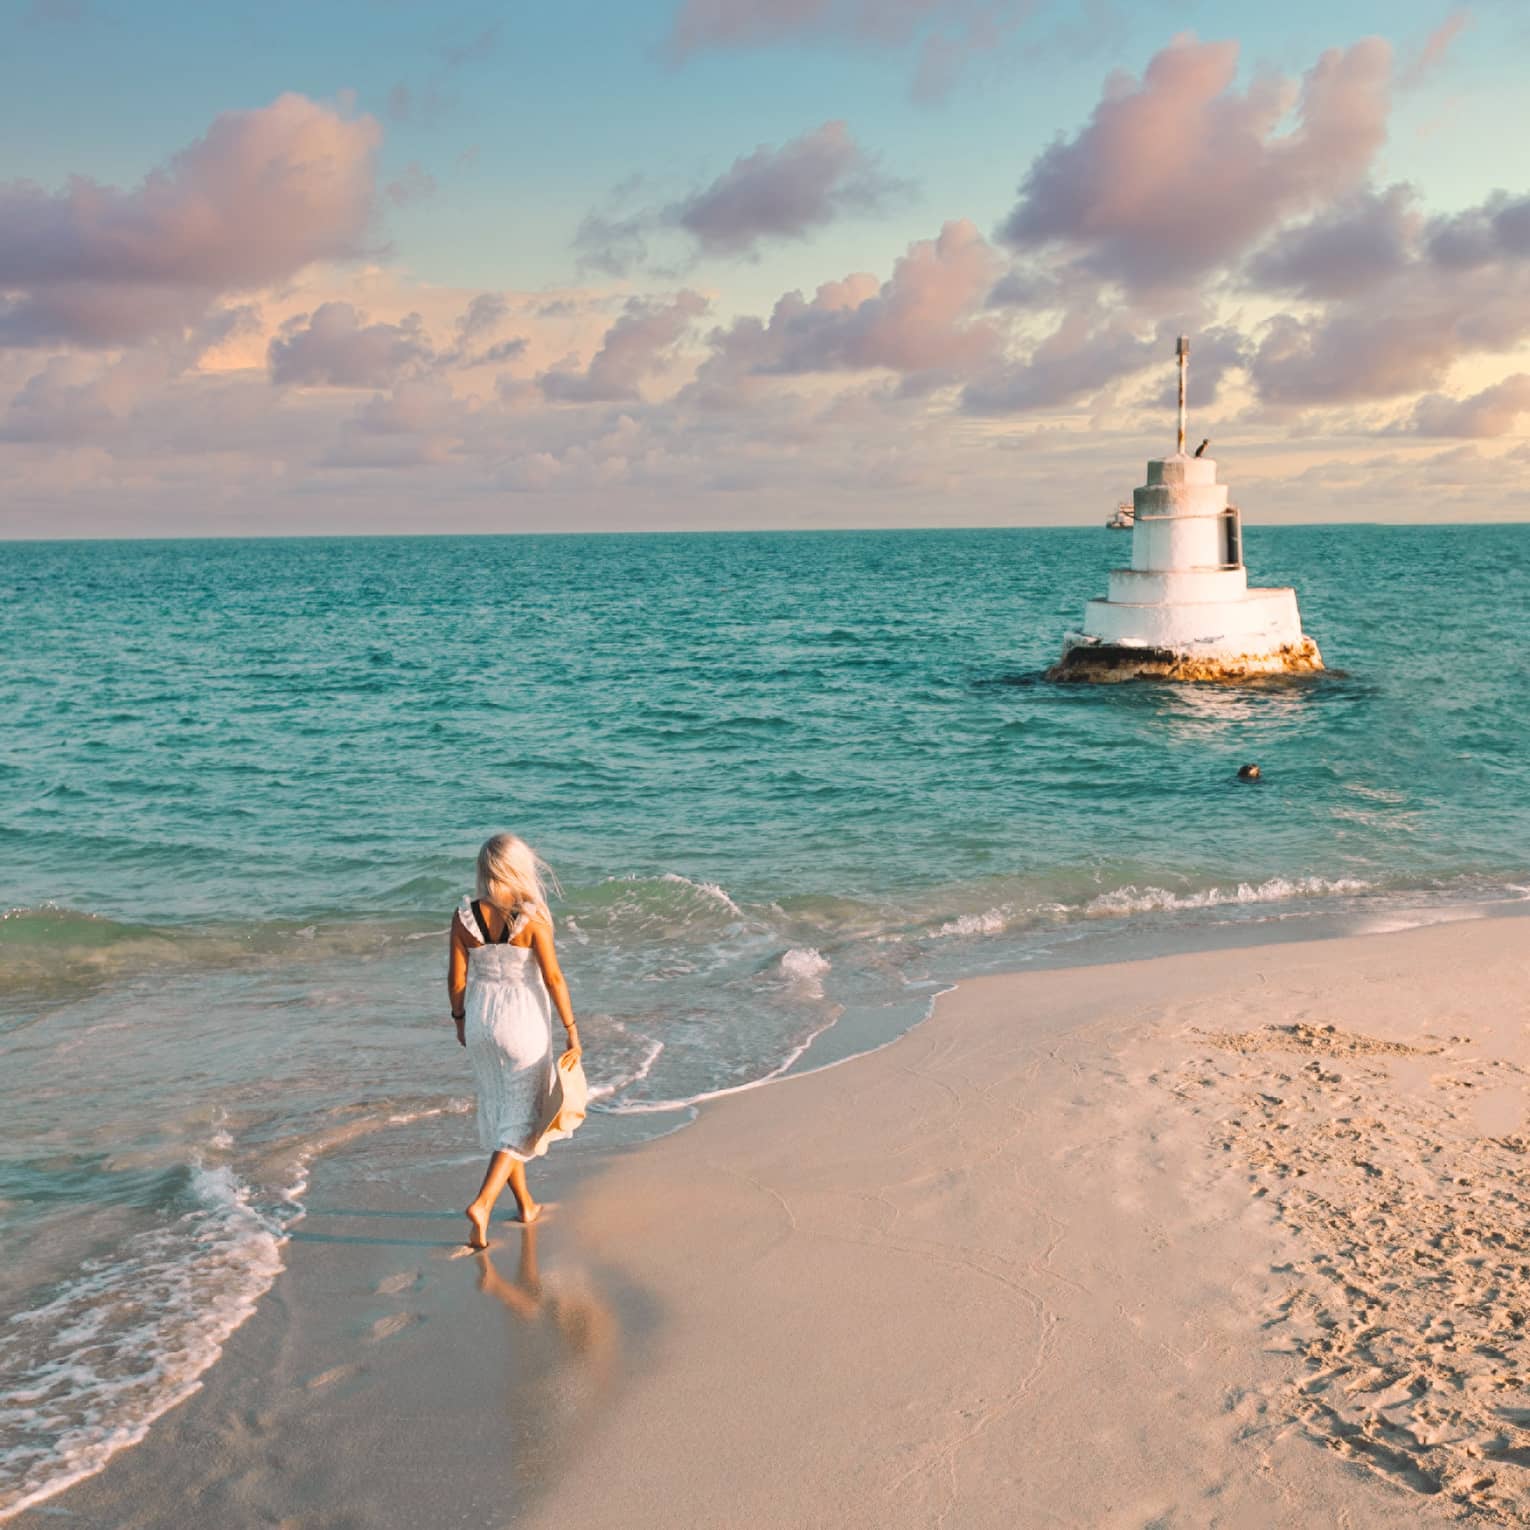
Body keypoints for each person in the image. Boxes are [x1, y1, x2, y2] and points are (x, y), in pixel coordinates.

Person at [448, 833, 582, 1247]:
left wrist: (459, 1021)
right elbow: (554, 977)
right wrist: (572, 1029)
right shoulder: (531, 916)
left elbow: (456, 979)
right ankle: (483, 1203)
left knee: (503, 1110)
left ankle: (525, 1204)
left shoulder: (463, 915)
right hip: (522, 1020)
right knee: (523, 1119)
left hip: (481, 1022)